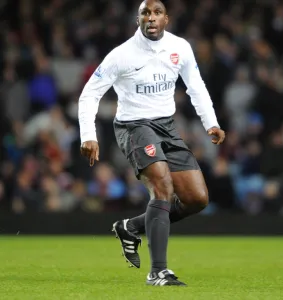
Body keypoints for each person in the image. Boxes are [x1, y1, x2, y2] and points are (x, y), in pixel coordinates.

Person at [79, 0, 225, 286]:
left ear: (166, 19)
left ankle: (130, 226)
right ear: (138, 20)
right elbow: (89, 94)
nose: (151, 18)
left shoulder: (180, 47)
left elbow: (196, 85)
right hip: (134, 126)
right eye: (145, 13)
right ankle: (158, 271)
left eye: (157, 12)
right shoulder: (121, 55)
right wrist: (88, 135)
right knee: (162, 188)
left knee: (197, 199)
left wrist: (211, 122)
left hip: (167, 126)